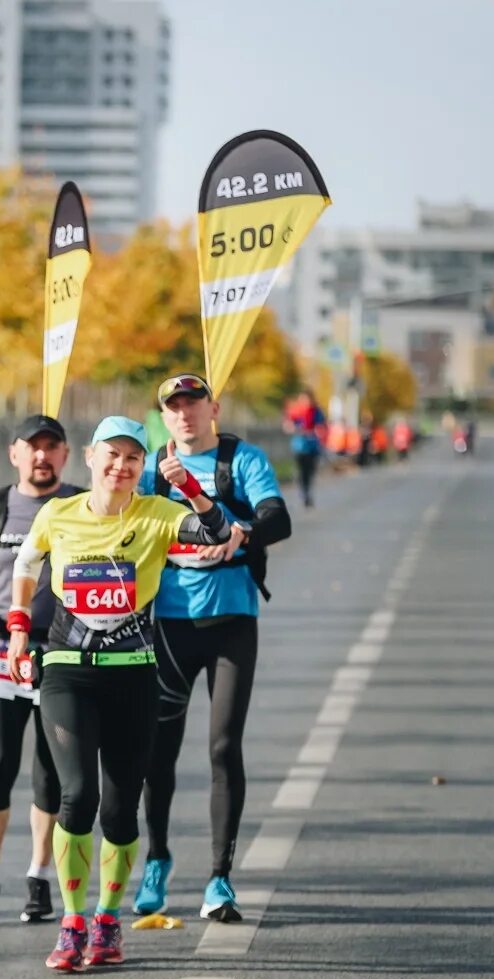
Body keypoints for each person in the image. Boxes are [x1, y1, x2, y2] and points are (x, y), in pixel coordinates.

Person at [8, 416, 238, 971]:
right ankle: (72, 922)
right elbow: (25, 561)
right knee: (77, 795)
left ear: (143, 466)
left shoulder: (158, 514)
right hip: (67, 670)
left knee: (118, 809)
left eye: (133, 458)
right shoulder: (58, 512)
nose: (121, 466)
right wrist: (19, 629)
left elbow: (216, 533)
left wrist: (186, 486)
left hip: (133, 674)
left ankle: (108, 920)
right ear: (89, 457)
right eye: (112, 455)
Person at [133, 374, 292, 925]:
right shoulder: (154, 468)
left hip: (231, 620)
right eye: (173, 407)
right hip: (170, 624)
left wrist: (243, 532)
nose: (184, 414)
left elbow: (280, 519)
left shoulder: (240, 460)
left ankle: (220, 878)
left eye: (193, 403)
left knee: (224, 747)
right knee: (159, 751)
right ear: (164, 416)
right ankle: (157, 857)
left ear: (212, 407)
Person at [0, 414, 81, 926]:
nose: (42, 457)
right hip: (2, 651)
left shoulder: (78, 507)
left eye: (52, 447)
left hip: (64, 652)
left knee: (50, 771)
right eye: (33, 448)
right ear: (15, 454)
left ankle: (39, 879)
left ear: (66, 455)